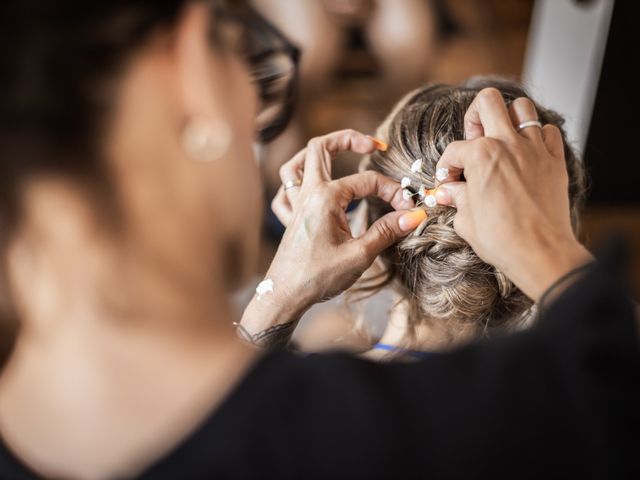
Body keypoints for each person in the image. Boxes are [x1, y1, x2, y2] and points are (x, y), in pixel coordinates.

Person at [0, 2, 637, 480]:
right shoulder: (443, 430)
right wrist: (546, 245)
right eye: (250, 55)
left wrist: (272, 305)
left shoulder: (31, 412)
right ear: (194, 56)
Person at [358, 77, 587, 358]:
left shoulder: (307, 390)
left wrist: (288, 291)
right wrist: (553, 253)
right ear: (562, 220)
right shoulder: (596, 387)